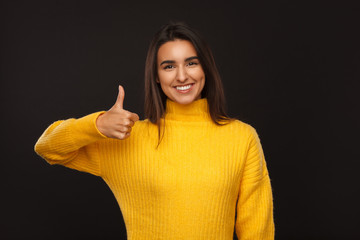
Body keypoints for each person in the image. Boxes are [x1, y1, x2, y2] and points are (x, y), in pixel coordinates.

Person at [35, 21, 275, 239]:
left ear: (206, 69)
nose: (182, 76)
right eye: (169, 66)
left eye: (191, 63)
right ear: (157, 77)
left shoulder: (241, 138)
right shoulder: (128, 138)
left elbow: (257, 231)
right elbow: (48, 147)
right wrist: (96, 125)